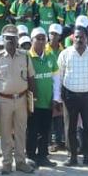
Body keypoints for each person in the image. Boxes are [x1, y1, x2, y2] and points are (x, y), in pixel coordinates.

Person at [0, 24, 36, 174]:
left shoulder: (25, 56)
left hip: (21, 98)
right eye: (7, 38)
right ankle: (7, 163)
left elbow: (31, 78)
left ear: (17, 40)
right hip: (3, 100)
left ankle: (21, 161)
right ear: (3, 40)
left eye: (13, 39)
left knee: (21, 131)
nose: (10, 41)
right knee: (6, 132)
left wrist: (32, 100)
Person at [54, 27, 88, 167]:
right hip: (69, 96)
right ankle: (72, 156)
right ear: (72, 38)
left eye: (82, 37)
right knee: (70, 127)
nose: (79, 39)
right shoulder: (65, 54)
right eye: (76, 37)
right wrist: (58, 98)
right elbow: (59, 77)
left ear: (86, 38)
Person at [26, 27, 59, 167]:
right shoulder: (27, 57)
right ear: (32, 40)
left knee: (45, 130)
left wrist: (56, 98)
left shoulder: (50, 56)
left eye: (43, 38)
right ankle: (31, 157)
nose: (40, 41)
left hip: (48, 101)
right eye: (37, 39)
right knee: (32, 130)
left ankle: (43, 156)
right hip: (33, 102)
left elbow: (56, 79)